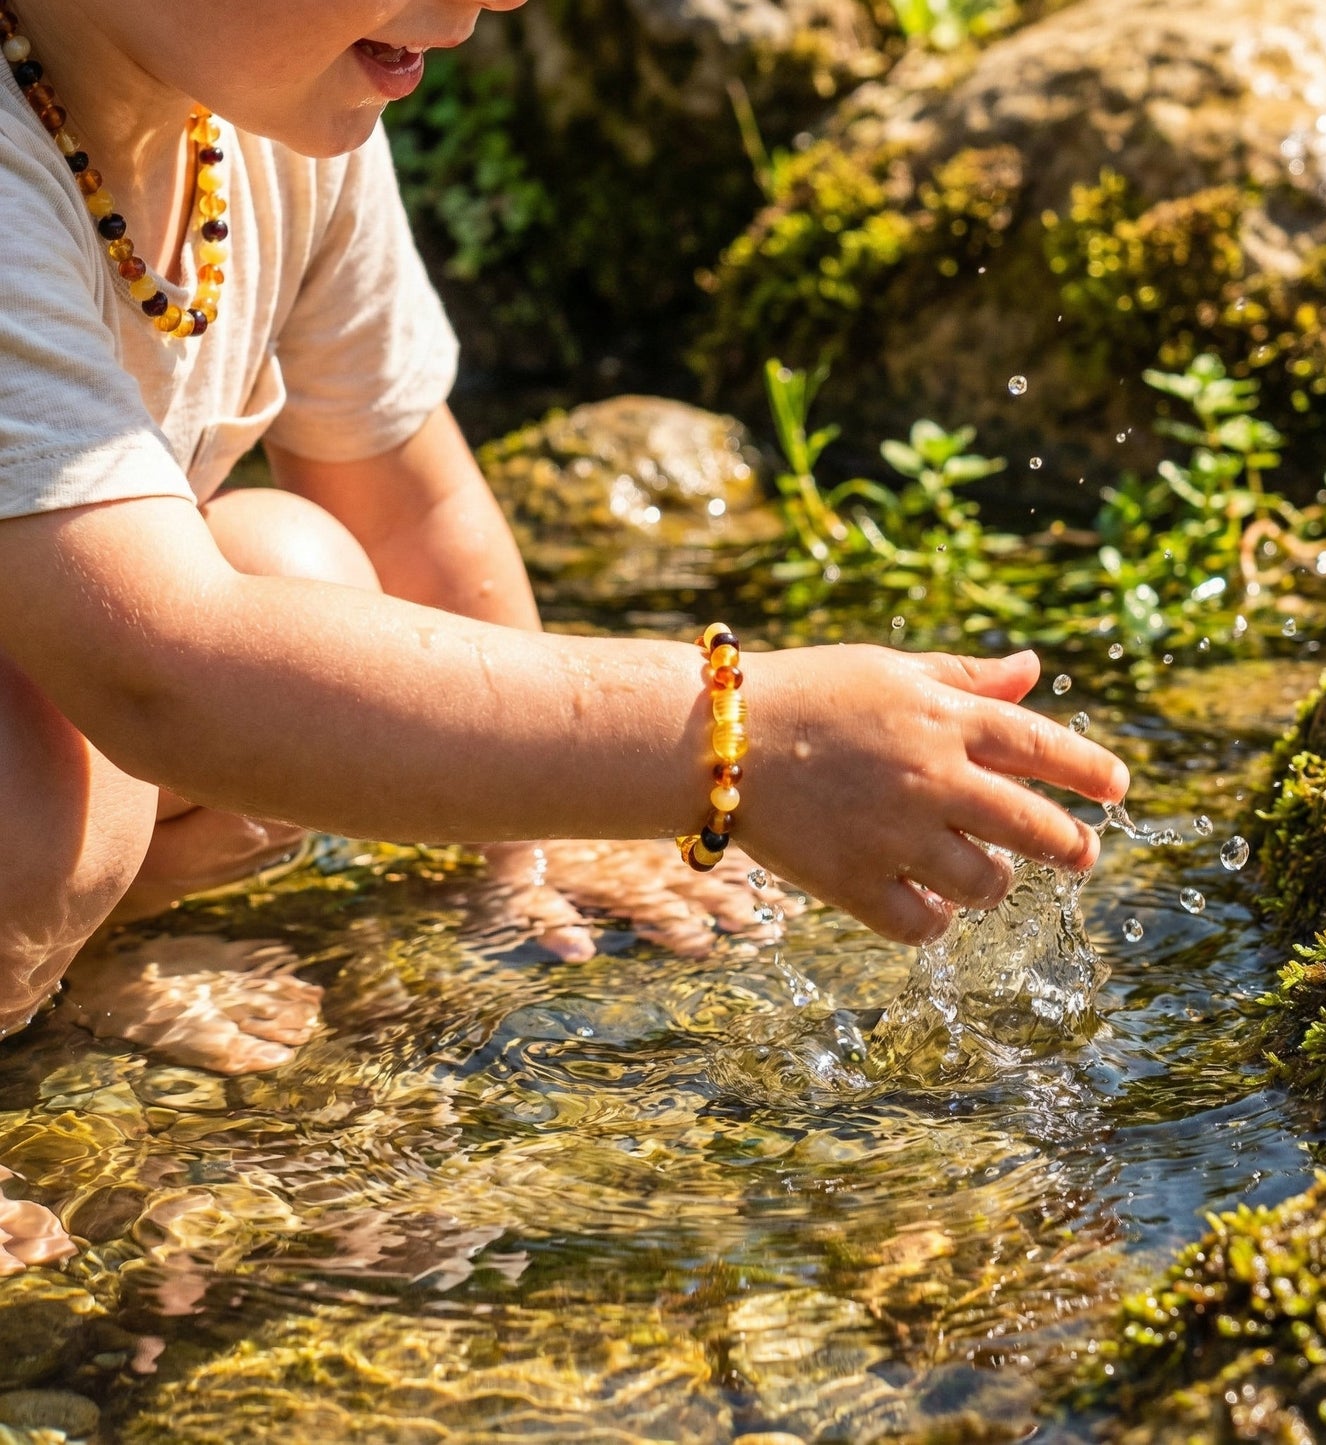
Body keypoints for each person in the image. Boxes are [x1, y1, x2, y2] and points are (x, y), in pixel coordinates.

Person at [0, 0, 1130, 1084]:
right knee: (44, 797)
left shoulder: (252, 117)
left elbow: (407, 511)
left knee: (296, 575)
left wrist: (542, 832)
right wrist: (726, 743)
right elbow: (163, 673)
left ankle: (62, 972)